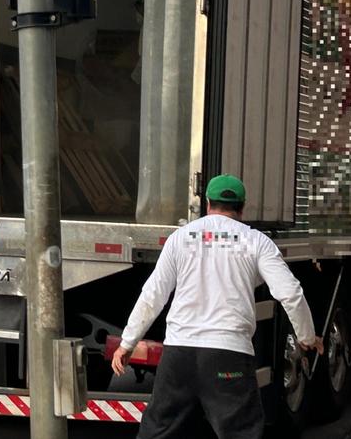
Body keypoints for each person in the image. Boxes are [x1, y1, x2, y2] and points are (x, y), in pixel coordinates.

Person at [111, 174, 322, 439]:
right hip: (229, 355)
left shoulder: (181, 238)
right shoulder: (256, 242)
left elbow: (153, 294)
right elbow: (290, 293)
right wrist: (306, 337)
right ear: (242, 208)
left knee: (158, 432)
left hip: (179, 354)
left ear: (208, 203)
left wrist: (127, 343)